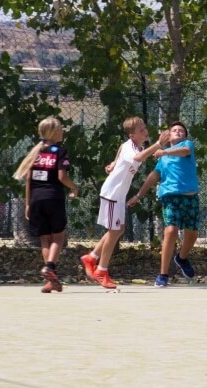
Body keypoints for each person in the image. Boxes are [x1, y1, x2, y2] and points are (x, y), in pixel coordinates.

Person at [80, 117, 169, 289]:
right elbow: (139, 157)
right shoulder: (132, 149)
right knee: (114, 231)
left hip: (118, 195)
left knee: (118, 229)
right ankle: (101, 270)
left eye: (144, 127)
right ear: (132, 135)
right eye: (141, 130)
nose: (145, 131)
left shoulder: (133, 145)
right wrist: (158, 144)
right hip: (112, 194)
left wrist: (114, 162)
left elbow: (122, 148)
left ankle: (91, 257)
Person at [13, 117, 79, 293]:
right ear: (55, 132)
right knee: (58, 237)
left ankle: (51, 280)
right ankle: (50, 267)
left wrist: (28, 204)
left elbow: (28, 179)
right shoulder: (60, 151)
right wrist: (74, 187)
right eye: (61, 128)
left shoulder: (36, 152)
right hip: (53, 198)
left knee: (44, 239)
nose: (63, 131)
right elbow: (62, 177)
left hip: (35, 200)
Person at [132, 121, 200, 288]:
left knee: (192, 233)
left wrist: (164, 151)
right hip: (170, 196)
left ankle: (181, 258)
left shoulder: (187, 146)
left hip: (190, 197)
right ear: (168, 136)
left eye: (181, 131)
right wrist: (139, 195)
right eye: (174, 130)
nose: (178, 132)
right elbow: (153, 177)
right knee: (171, 230)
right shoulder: (163, 159)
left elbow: (184, 152)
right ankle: (163, 274)